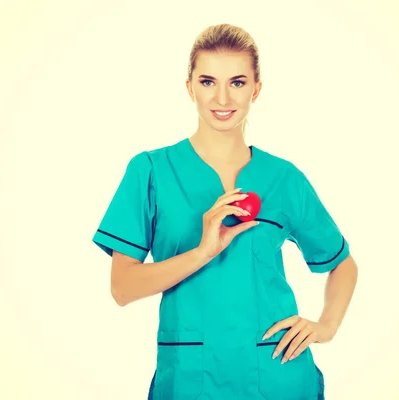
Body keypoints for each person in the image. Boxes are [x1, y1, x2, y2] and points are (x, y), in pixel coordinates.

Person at [92, 23, 358, 400]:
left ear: (256, 89)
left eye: (237, 82)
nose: (222, 98)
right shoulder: (150, 171)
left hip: (277, 372)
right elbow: (122, 288)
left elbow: (342, 263)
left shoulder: (284, 178)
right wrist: (202, 252)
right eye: (207, 81)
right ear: (189, 88)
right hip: (189, 379)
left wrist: (326, 325)